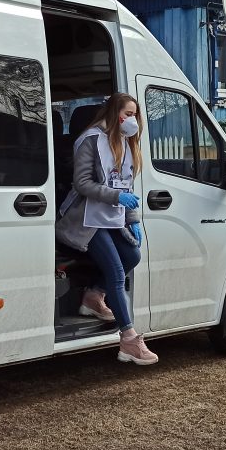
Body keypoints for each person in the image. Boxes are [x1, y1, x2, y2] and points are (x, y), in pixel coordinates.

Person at [55, 93, 158, 365]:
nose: (131, 119)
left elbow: (127, 187)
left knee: (132, 256)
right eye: (127, 113)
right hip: (86, 219)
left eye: (135, 115)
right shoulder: (90, 140)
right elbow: (82, 184)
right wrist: (116, 198)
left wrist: (132, 218)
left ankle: (92, 297)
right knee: (115, 271)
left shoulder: (125, 142)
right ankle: (129, 340)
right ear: (113, 114)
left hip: (111, 216)